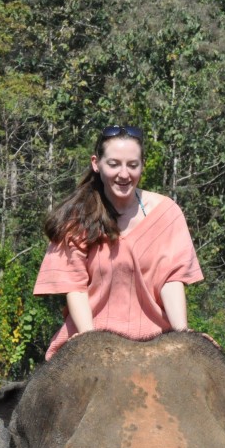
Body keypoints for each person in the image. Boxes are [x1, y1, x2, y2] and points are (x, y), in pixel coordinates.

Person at [33, 125, 203, 360]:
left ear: (142, 165)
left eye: (132, 165)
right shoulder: (76, 217)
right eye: (114, 164)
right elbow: (74, 286)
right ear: (96, 163)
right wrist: (90, 342)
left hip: (157, 339)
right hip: (91, 336)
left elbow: (171, 279)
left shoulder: (166, 213)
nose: (124, 174)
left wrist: (183, 337)